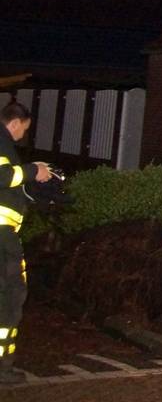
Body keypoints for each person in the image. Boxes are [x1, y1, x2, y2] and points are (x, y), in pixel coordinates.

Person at [0, 101, 53, 385]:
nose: (23, 135)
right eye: (25, 129)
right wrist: (33, 170)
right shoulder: (2, 142)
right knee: (9, 300)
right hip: (2, 239)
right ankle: (1, 370)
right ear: (16, 122)